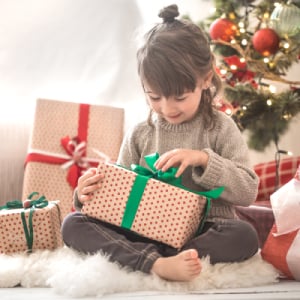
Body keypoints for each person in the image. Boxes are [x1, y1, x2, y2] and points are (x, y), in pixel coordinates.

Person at [61, 4, 259, 282]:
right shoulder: (140, 133)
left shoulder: (221, 127)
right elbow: (117, 201)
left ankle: (149, 257)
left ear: (205, 79)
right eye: (154, 97)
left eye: (179, 97)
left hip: (203, 230)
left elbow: (248, 191)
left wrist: (203, 160)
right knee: (73, 225)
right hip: (146, 230)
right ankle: (156, 262)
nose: (167, 108)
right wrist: (85, 195)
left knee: (244, 236)